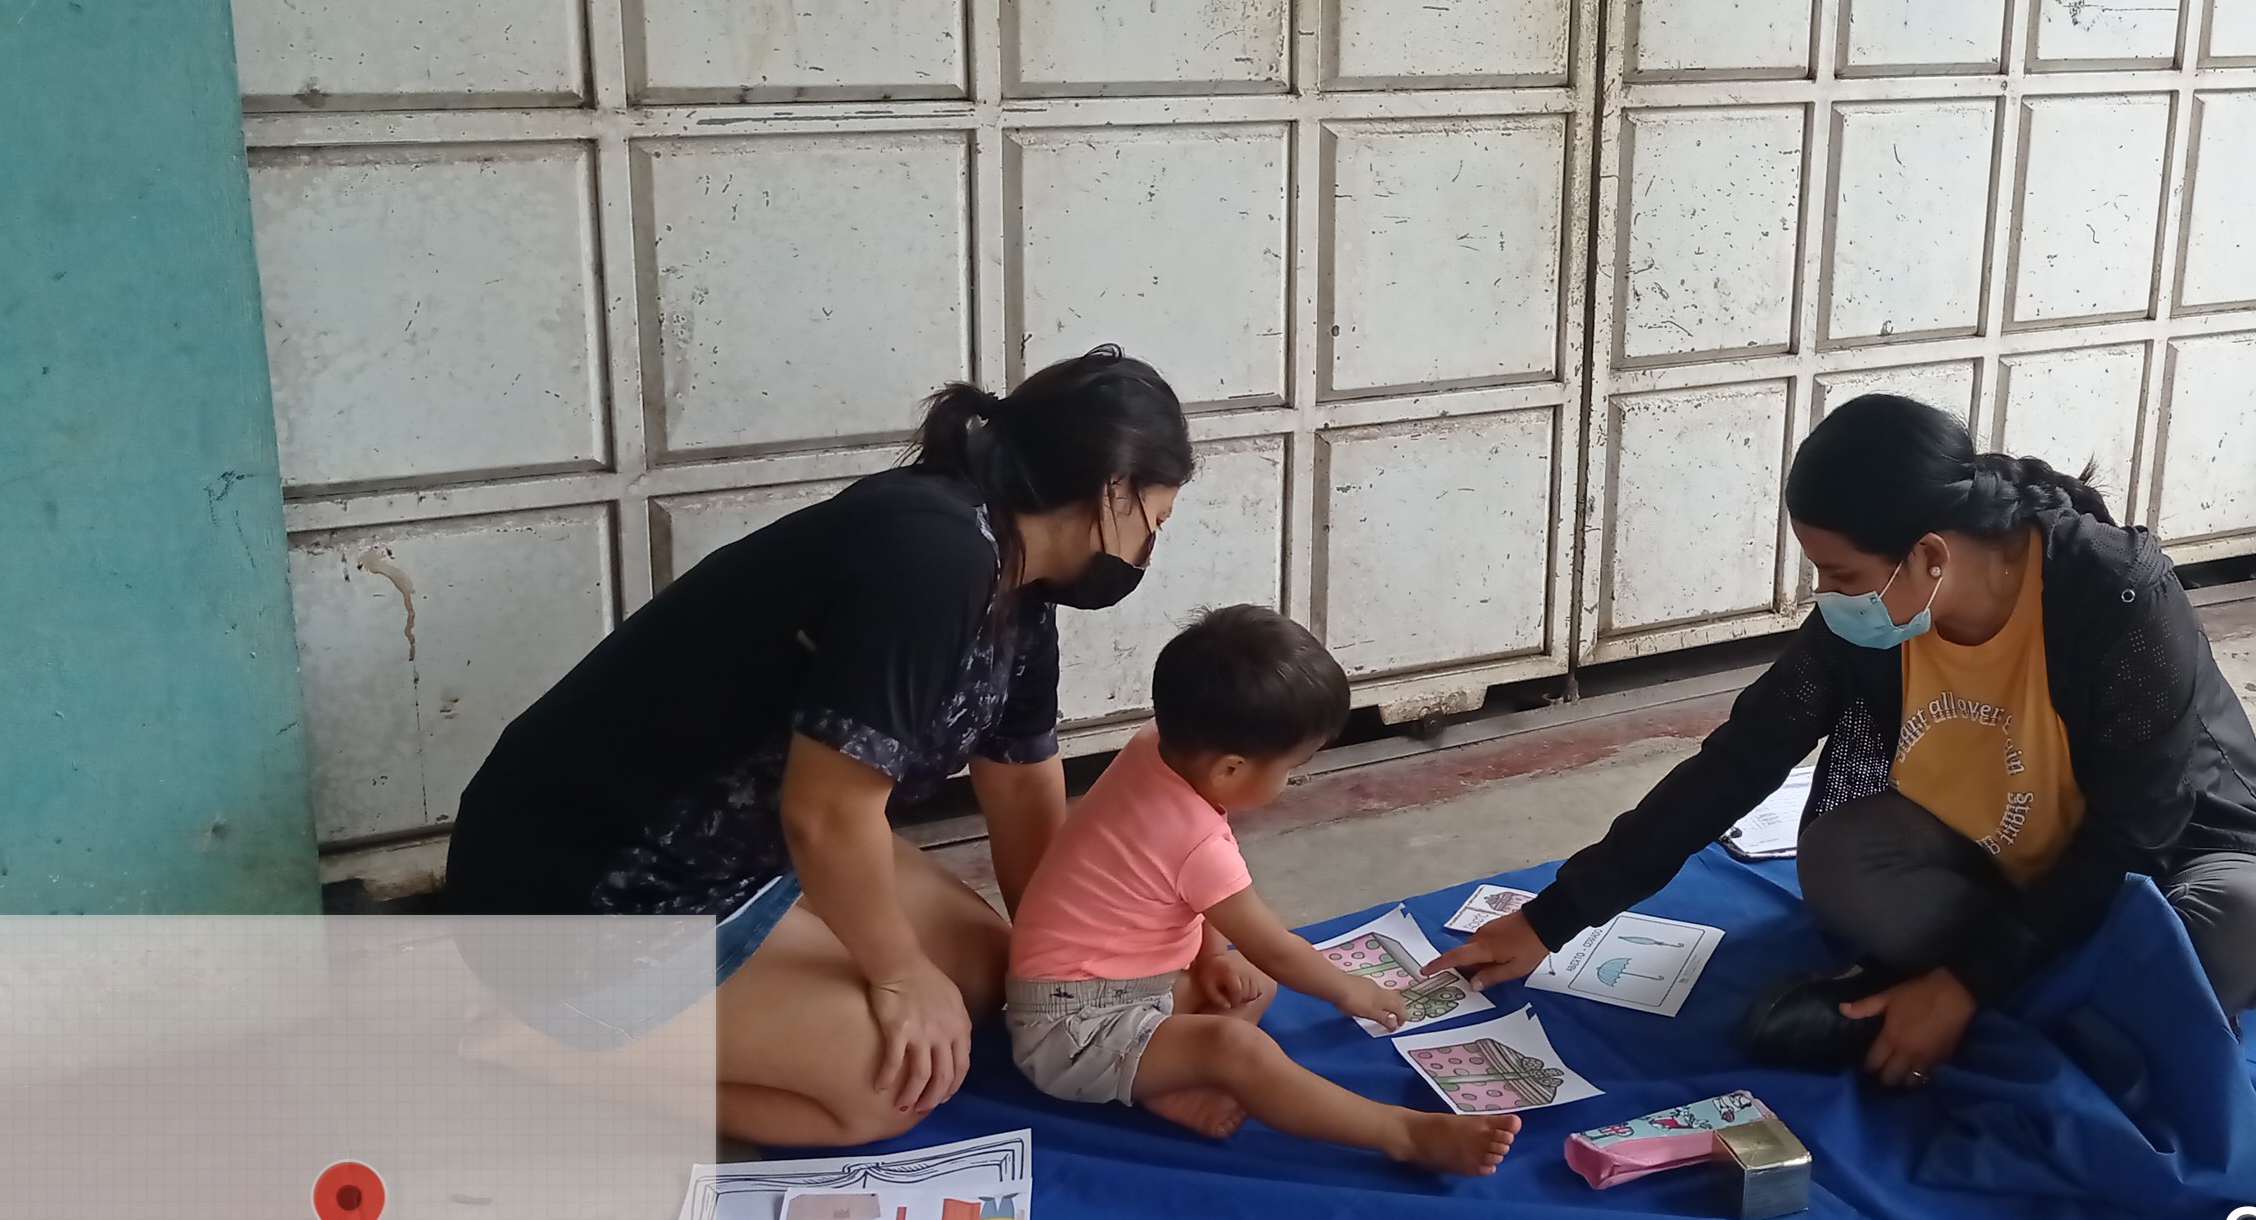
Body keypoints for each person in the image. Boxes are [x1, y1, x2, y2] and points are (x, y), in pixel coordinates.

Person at [1432, 394, 2256, 1085]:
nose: (1827, 595)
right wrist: (1555, 917)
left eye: (1840, 573)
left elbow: (2137, 829)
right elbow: (1743, 757)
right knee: (1842, 861)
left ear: (1930, 555)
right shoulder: (1875, 618)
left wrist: (1962, 981)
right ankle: (2091, 1010)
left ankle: (1981, 1000)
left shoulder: (2118, 596)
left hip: (2162, 862)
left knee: (2254, 928)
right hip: (1995, 859)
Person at [447, 347, 1192, 1148]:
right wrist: (897, 976)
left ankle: (785, 959)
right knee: (889, 1087)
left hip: (751, 855)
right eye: (1154, 522)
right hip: (587, 893)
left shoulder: (1020, 584)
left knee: (991, 972)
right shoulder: (933, 555)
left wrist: (1083, 970)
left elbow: (1020, 789)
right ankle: (544, 1047)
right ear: (1113, 489)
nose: (1146, 549)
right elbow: (828, 815)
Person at [1003, 605, 1519, 1177]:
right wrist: (1348, 989)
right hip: (1070, 1033)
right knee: (1239, 1046)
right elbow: (1274, 946)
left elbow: (1184, 897)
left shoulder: (1155, 746)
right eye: (1290, 767)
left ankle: (1170, 1078)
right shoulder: (1194, 840)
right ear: (1229, 769)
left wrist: (1210, 957)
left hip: (1115, 987)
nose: (1292, 780)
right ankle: (1405, 1134)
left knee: (1247, 983)